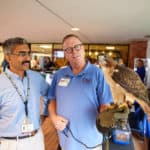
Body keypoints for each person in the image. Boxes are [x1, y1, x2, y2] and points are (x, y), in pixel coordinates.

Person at [48, 34, 113, 150]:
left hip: (91, 139)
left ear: (83, 49)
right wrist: (53, 117)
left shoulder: (97, 73)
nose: (73, 52)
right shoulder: (59, 75)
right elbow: (52, 99)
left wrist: (106, 114)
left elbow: (105, 103)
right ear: (65, 54)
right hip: (66, 137)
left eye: (77, 47)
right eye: (68, 49)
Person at [0, 37, 49, 150]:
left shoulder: (37, 78)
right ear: (8, 57)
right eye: (22, 54)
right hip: (10, 143)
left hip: (36, 139)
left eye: (28, 53)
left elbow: (49, 95)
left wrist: (44, 113)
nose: (28, 58)